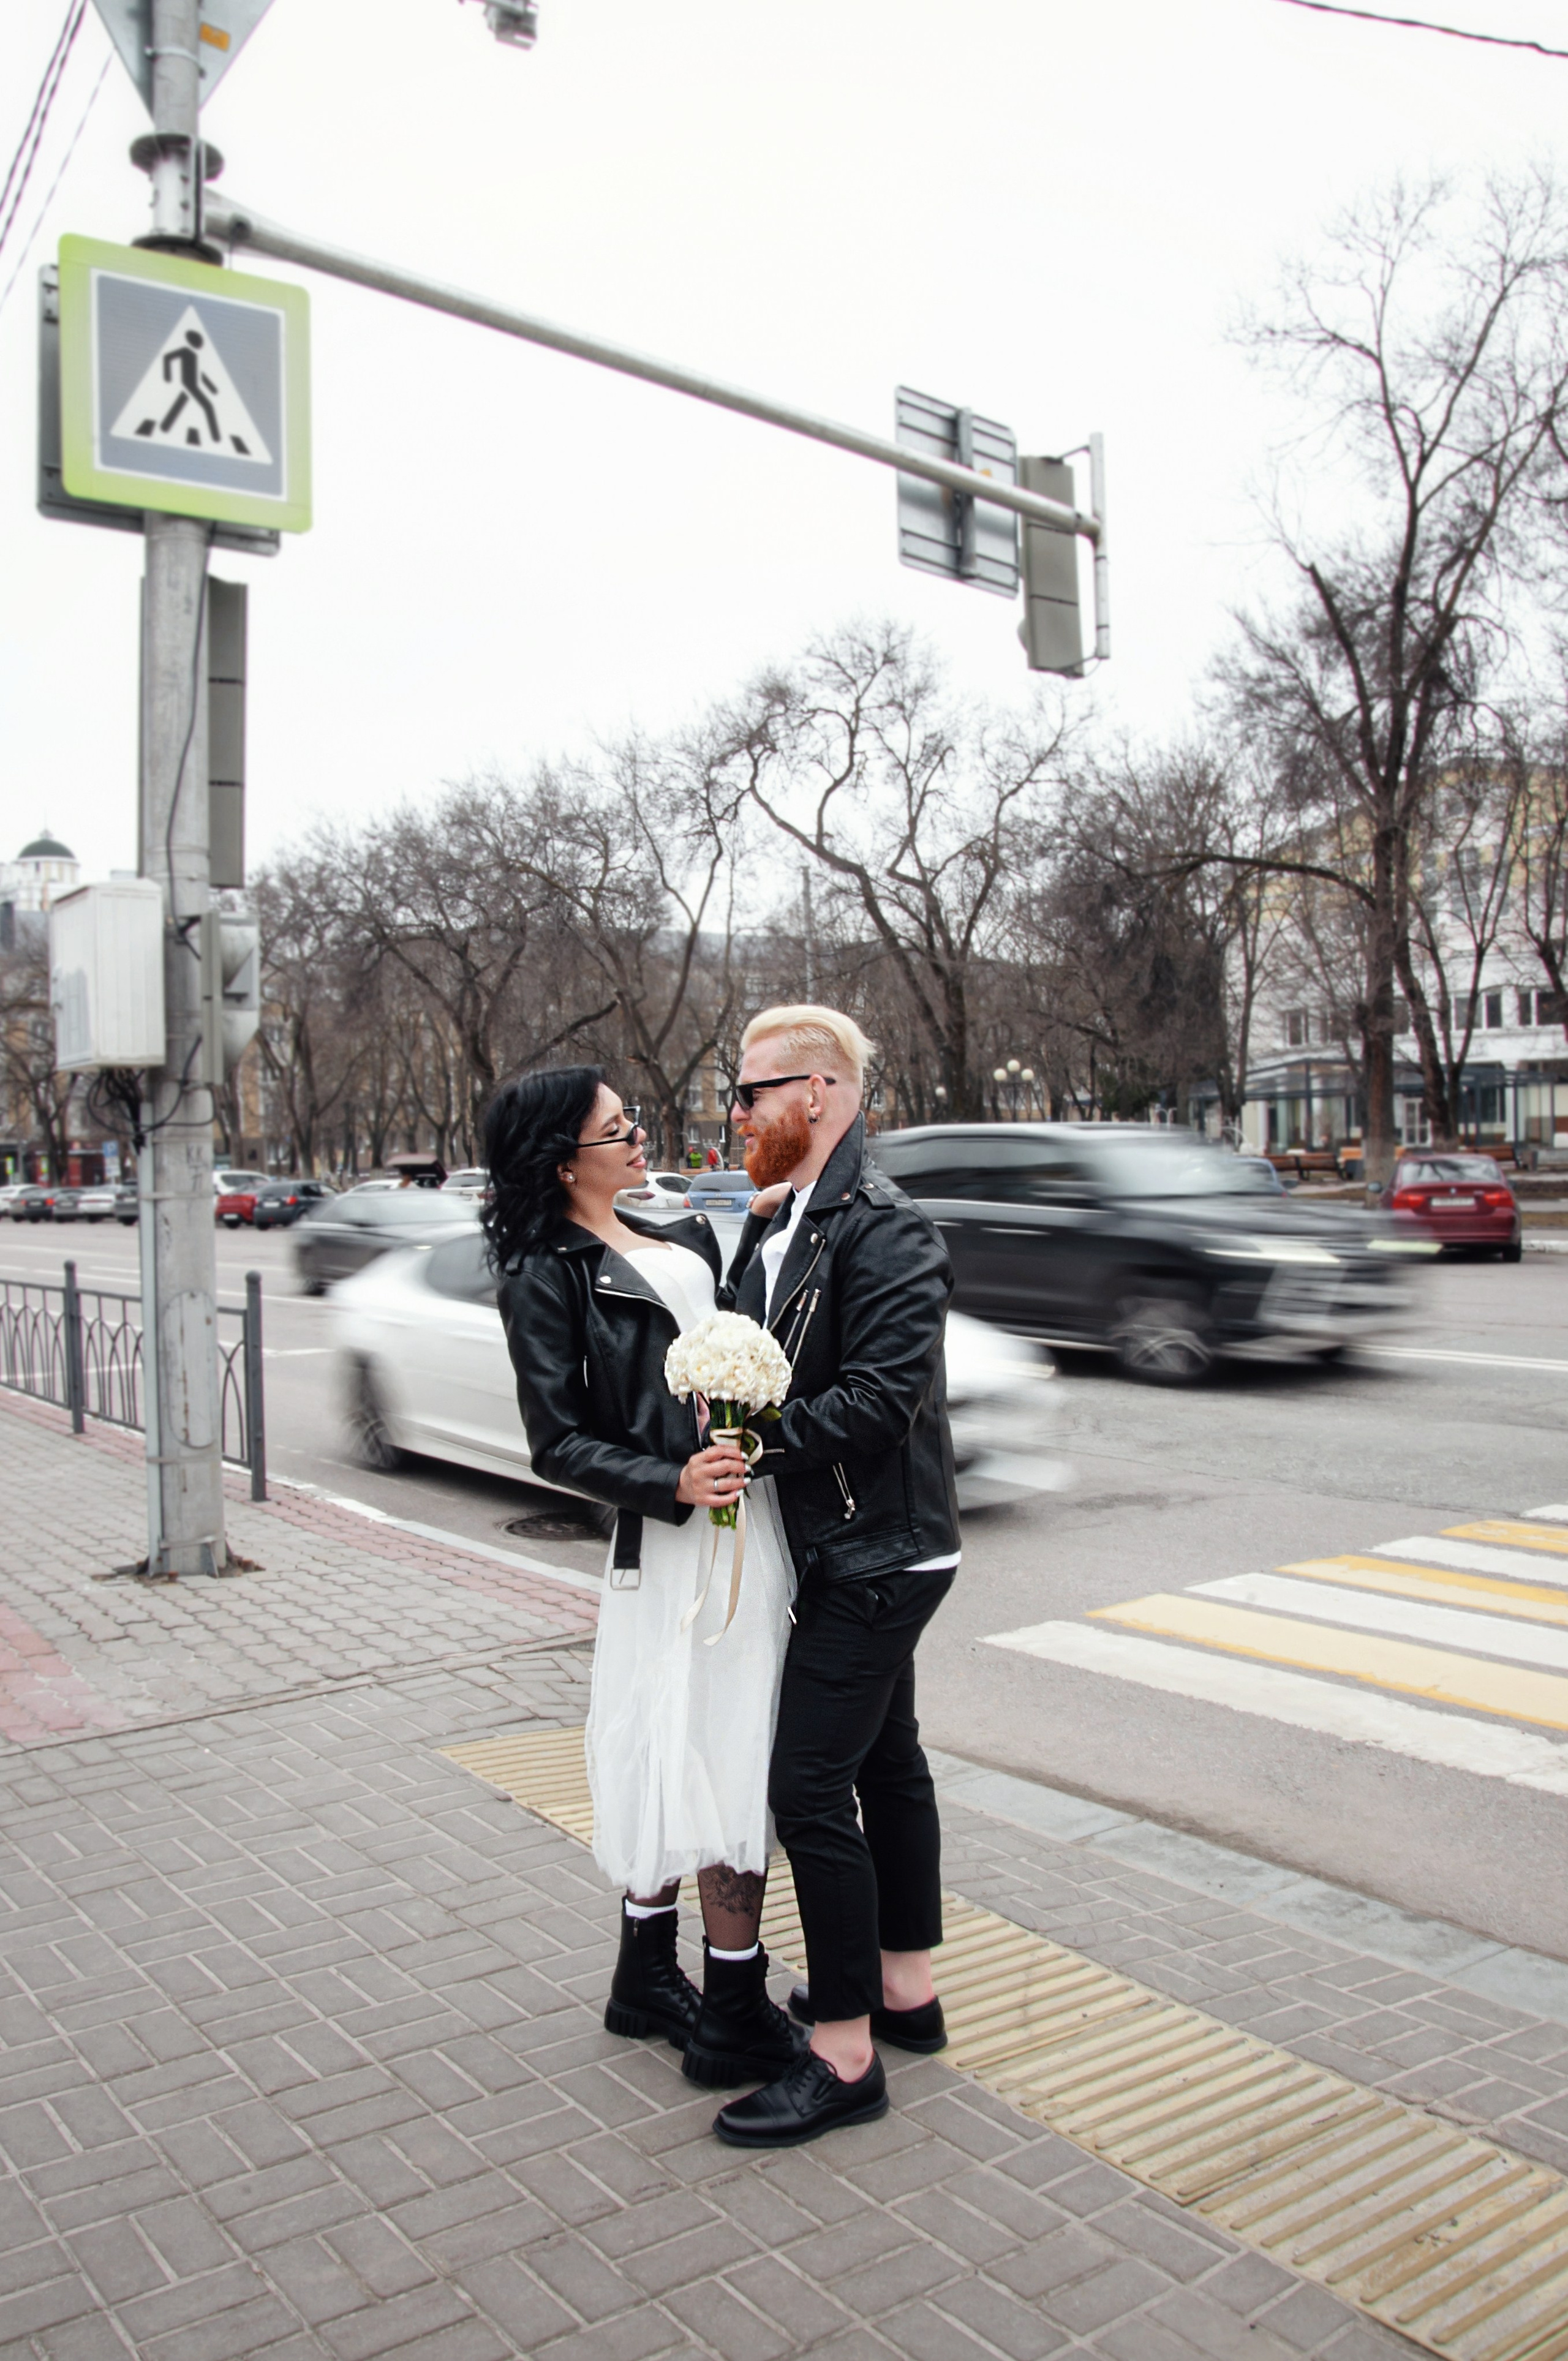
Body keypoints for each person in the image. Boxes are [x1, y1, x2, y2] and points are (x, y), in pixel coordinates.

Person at [484, 1067, 804, 2090]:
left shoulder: (684, 1235)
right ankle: (731, 2009)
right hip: (671, 1540)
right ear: (560, 1160)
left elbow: (725, 1340)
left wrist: (760, 1231)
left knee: (714, 1735)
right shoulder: (546, 1273)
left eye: (632, 1122)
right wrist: (670, 1480)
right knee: (701, 1741)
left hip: (740, 1523)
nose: (638, 1139)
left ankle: (646, 1978)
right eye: (616, 1129)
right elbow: (556, 1442)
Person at [709, 1007, 961, 2150]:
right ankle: (904, 1991)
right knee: (887, 1761)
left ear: (815, 1093)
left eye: (749, 1092)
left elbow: (877, 1400)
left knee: (809, 1788)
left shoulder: (885, 1228)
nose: (736, 1114)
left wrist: (748, 1446)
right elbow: (752, 1343)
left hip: (878, 1550)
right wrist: (756, 1232)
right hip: (855, 1543)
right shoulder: (796, 1214)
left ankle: (845, 2055)